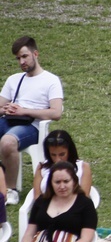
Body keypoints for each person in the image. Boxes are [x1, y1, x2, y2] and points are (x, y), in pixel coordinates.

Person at [3, 161, 97, 242]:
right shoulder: (42, 201)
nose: (62, 186)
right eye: (57, 182)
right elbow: (30, 231)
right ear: (51, 183)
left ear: (74, 181)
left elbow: (87, 239)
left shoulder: (85, 204)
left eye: (66, 181)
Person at [0, 36, 64, 205]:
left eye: (25, 56)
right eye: (18, 58)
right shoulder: (14, 79)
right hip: (9, 120)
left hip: (32, 126)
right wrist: (6, 109)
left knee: (7, 142)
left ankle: (10, 189)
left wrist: (25, 111)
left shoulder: (51, 80)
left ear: (35, 54)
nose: (22, 61)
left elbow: (56, 112)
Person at [32, 130, 92, 200]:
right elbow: (37, 196)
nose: (58, 159)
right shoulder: (42, 168)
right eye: (53, 155)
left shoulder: (83, 167)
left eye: (62, 154)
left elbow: (84, 198)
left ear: (69, 151)